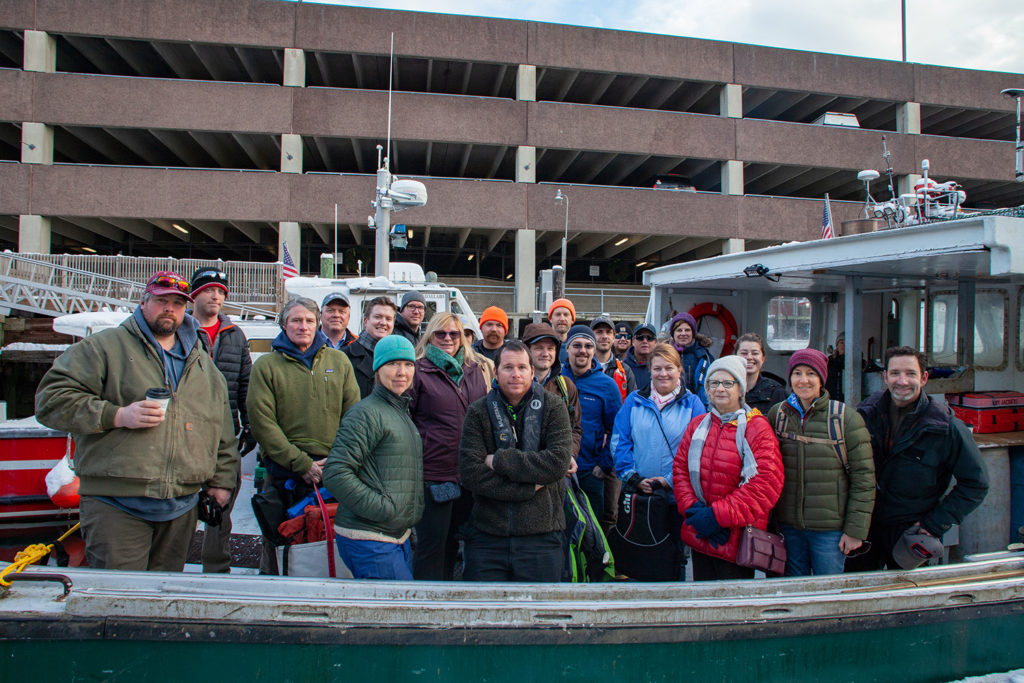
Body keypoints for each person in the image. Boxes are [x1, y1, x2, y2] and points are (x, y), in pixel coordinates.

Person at [35, 271, 238, 571]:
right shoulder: (104, 347)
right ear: (143, 302)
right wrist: (117, 415)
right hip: (116, 504)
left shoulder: (204, 366)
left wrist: (221, 482)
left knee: (161, 602)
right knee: (117, 601)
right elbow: (50, 401)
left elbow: (221, 431)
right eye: (161, 300)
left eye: (178, 303)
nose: (169, 308)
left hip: (180, 508)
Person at [247, 297, 361, 574]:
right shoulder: (266, 366)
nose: (303, 326)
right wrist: (301, 464)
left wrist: (335, 462)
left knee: (330, 542)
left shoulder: (339, 361)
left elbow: (354, 416)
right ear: (284, 325)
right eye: (296, 320)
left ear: (318, 323)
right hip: (284, 473)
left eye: (309, 320)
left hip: (332, 471)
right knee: (279, 545)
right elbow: (262, 423)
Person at [849, 346, 989, 571]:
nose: (902, 381)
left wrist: (934, 524)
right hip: (866, 528)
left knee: (910, 597)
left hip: (911, 531)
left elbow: (977, 484)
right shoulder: (864, 415)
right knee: (857, 594)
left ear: (924, 378)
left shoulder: (945, 427)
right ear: (885, 377)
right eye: (895, 373)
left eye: (910, 373)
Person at [458, 341, 573, 582]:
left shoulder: (554, 408)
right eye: (508, 367)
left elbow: (557, 463)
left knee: (542, 616)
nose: (515, 374)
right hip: (488, 538)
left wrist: (500, 460)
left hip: (542, 538)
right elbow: (471, 472)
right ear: (496, 372)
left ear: (532, 372)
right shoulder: (478, 412)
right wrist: (529, 487)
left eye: (522, 367)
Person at [672, 356, 784, 581]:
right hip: (700, 533)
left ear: (741, 390)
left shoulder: (757, 428)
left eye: (728, 383)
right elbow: (681, 470)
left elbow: (765, 484)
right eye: (714, 383)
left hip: (736, 539)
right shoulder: (698, 425)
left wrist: (717, 517)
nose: (720, 389)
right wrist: (694, 511)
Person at [766, 349, 875, 576]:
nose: (803, 380)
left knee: (828, 592)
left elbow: (864, 479)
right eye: (797, 373)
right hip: (789, 528)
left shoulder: (845, 418)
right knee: (792, 592)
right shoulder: (778, 415)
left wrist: (855, 530)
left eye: (811, 374)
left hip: (830, 531)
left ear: (821, 379)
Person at [323, 335, 424, 580]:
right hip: (370, 538)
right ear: (377, 369)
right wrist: (384, 509)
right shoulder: (366, 413)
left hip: (394, 536)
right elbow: (336, 472)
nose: (402, 372)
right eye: (393, 364)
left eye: (408, 364)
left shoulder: (399, 411)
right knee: (396, 614)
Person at [611, 343, 705, 580]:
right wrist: (632, 477)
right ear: (650, 370)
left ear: (679, 370)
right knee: (640, 554)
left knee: (674, 558)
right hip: (640, 496)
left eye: (669, 368)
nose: (663, 374)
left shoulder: (693, 405)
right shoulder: (634, 401)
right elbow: (620, 441)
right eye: (657, 368)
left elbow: (698, 450)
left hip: (676, 498)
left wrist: (670, 481)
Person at [407, 313, 488, 580]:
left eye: (454, 334)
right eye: (440, 334)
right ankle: (425, 605)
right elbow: (406, 420)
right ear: (429, 336)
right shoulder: (418, 371)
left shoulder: (474, 371)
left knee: (455, 544)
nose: (448, 339)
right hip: (434, 474)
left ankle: (449, 601)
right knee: (431, 547)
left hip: (468, 474)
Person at [188, 267, 253, 574]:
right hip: (186, 434)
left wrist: (249, 424)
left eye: (221, 292)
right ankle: (172, 564)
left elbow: (245, 383)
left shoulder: (235, 335)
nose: (215, 296)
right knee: (183, 505)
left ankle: (216, 566)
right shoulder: (180, 331)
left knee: (222, 504)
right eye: (208, 290)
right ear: (194, 295)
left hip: (225, 436)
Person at [564, 324, 623, 526]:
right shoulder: (557, 380)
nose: (583, 350)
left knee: (593, 530)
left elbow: (618, 429)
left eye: (588, 346)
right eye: (577, 345)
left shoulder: (607, 385)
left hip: (590, 471)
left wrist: (604, 465)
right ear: (567, 348)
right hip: (559, 470)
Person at [523, 322, 583, 458]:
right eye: (539, 348)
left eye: (551, 348)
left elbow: (575, 429)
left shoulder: (566, 386)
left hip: (556, 466)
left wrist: (569, 455)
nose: (546, 354)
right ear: (526, 350)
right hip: (522, 465)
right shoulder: (514, 384)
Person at [343, 296, 398, 398]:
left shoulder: (398, 357)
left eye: (388, 319)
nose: (383, 322)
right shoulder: (345, 356)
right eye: (378, 317)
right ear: (365, 321)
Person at [669, 312, 714, 406]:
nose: (683, 333)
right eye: (679, 330)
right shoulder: (665, 355)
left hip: (699, 408)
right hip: (671, 407)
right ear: (673, 333)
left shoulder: (705, 357)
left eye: (687, 330)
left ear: (693, 333)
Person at [736, 332, 786, 413]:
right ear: (735, 357)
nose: (749, 357)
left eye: (755, 353)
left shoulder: (776, 392)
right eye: (744, 353)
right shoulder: (725, 389)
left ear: (763, 358)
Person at [591, 315, 636, 400]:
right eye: (599, 332)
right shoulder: (582, 368)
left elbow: (632, 404)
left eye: (608, 332)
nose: (604, 336)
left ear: (613, 337)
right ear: (591, 335)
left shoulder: (625, 371)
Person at [622, 322, 657, 390]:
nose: (645, 341)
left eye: (649, 338)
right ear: (633, 341)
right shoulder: (623, 367)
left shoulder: (662, 366)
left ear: (655, 342)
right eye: (640, 337)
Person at [548, 298, 576, 364]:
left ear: (572, 319)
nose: (562, 319)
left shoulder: (578, 348)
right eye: (558, 314)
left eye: (566, 315)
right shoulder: (544, 347)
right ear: (550, 319)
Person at [824, 332, 845, 402]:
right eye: (841, 343)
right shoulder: (829, 361)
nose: (844, 345)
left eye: (846, 343)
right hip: (832, 398)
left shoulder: (859, 362)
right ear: (837, 345)